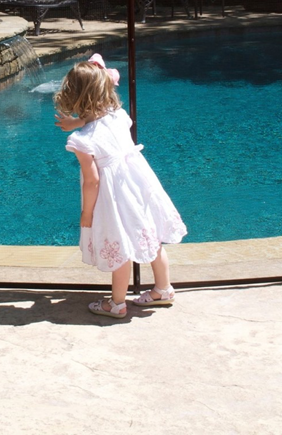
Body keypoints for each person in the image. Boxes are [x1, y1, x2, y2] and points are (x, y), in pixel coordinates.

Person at [54, 53, 187, 319]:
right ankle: (163, 289)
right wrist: (78, 121)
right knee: (150, 236)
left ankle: (116, 304)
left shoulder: (82, 141)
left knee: (121, 246)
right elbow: (101, 118)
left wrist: (87, 213)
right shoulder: (119, 115)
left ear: (74, 98)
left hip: (113, 197)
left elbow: (92, 181)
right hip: (139, 185)